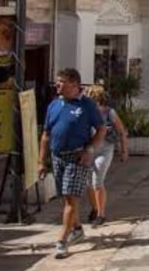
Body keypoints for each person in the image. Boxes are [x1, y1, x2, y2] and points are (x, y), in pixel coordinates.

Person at [38, 68, 107, 259]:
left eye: (61, 82)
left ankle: (61, 241)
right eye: (57, 82)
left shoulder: (87, 105)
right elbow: (46, 135)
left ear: (74, 84)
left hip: (78, 158)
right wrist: (41, 161)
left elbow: (101, 129)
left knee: (70, 198)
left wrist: (90, 150)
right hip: (58, 157)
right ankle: (77, 228)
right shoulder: (53, 105)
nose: (57, 85)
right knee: (66, 198)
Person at [84, 85, 128, 227]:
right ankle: (95, 208)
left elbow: (122, 131)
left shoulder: (109, 112)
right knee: (88, 183)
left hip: (105, 149)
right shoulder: (85, 112)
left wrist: (124, 150)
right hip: (89, 149)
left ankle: (100, 214)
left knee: (97, 181)